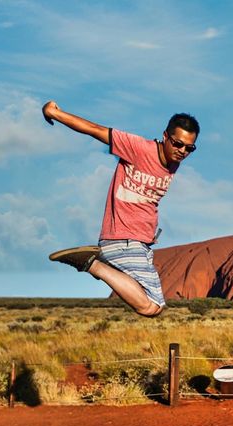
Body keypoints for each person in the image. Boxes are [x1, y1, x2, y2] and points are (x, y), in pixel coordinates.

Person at [42, 100, 199, 317]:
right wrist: (53, 113)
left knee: (153, 305)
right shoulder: (138, 148)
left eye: (189, 148)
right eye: (177, 144)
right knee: (151, 306)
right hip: (124, 239)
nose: (182, 151)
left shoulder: (173, 163)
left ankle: (93, 264)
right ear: (165, 136)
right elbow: (94, 130)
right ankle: (92, 264)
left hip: (140, 242)